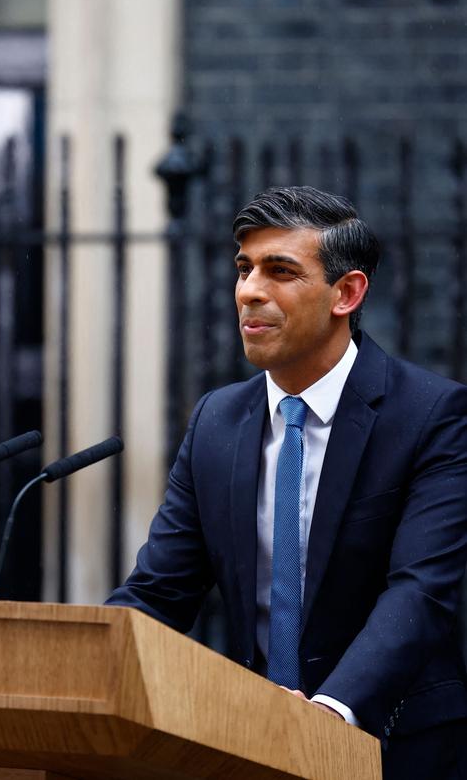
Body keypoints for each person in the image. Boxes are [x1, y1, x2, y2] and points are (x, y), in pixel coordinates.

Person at [106, 186, 467, 780]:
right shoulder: (215, 421)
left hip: (397, 747)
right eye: (244, 269)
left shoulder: (432, 415)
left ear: (346, 293)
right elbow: (159, 592)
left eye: (280, 271)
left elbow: (421, 592)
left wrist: (327, 712)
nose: (249, 291)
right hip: (251, 746)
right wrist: (93, 664)